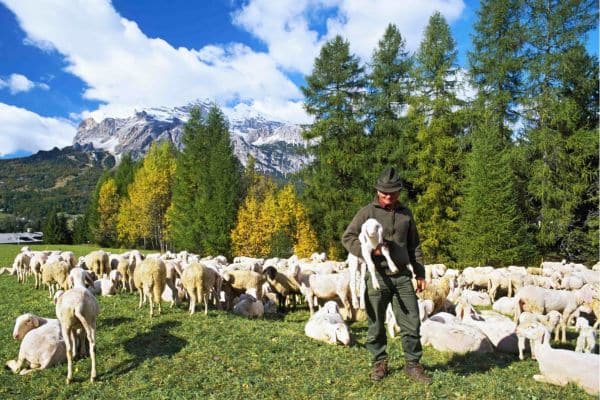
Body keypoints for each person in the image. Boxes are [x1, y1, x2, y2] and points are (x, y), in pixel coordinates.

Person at [341, 167, 431, 384]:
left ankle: (413, 364)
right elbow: (348, 237)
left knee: (411, 321)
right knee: (376, 322)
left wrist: (419, 272)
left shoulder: (405, 214)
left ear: (399, 192)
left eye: (391, 193)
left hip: (401, 275)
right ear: (377, 191)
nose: (387, 197)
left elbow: (414, 245)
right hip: (377, 275)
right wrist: (369, 250)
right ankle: (379, 362)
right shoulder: (367, 212)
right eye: (383, 193)